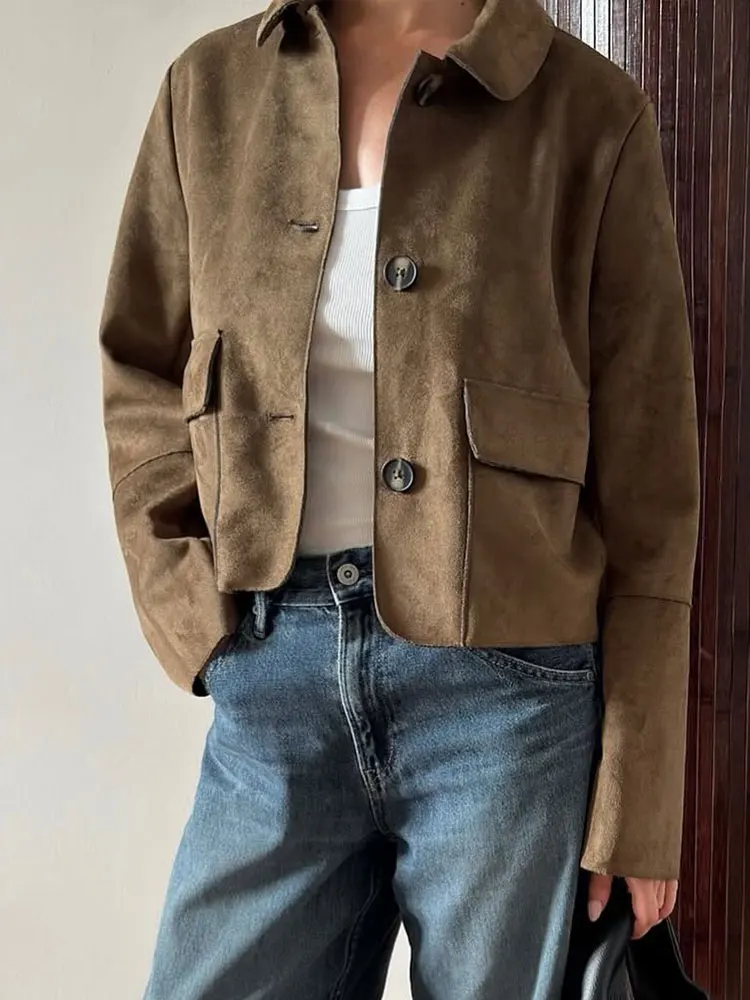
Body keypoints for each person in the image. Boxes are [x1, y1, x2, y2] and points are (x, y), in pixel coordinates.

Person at [98, 0, 701, 996]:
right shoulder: (208, 92)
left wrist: (641, 795)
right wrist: (189, 611)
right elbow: (141, 372)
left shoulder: (590, 111)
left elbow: (652, 484)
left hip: (508, 699)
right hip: (273, 673)